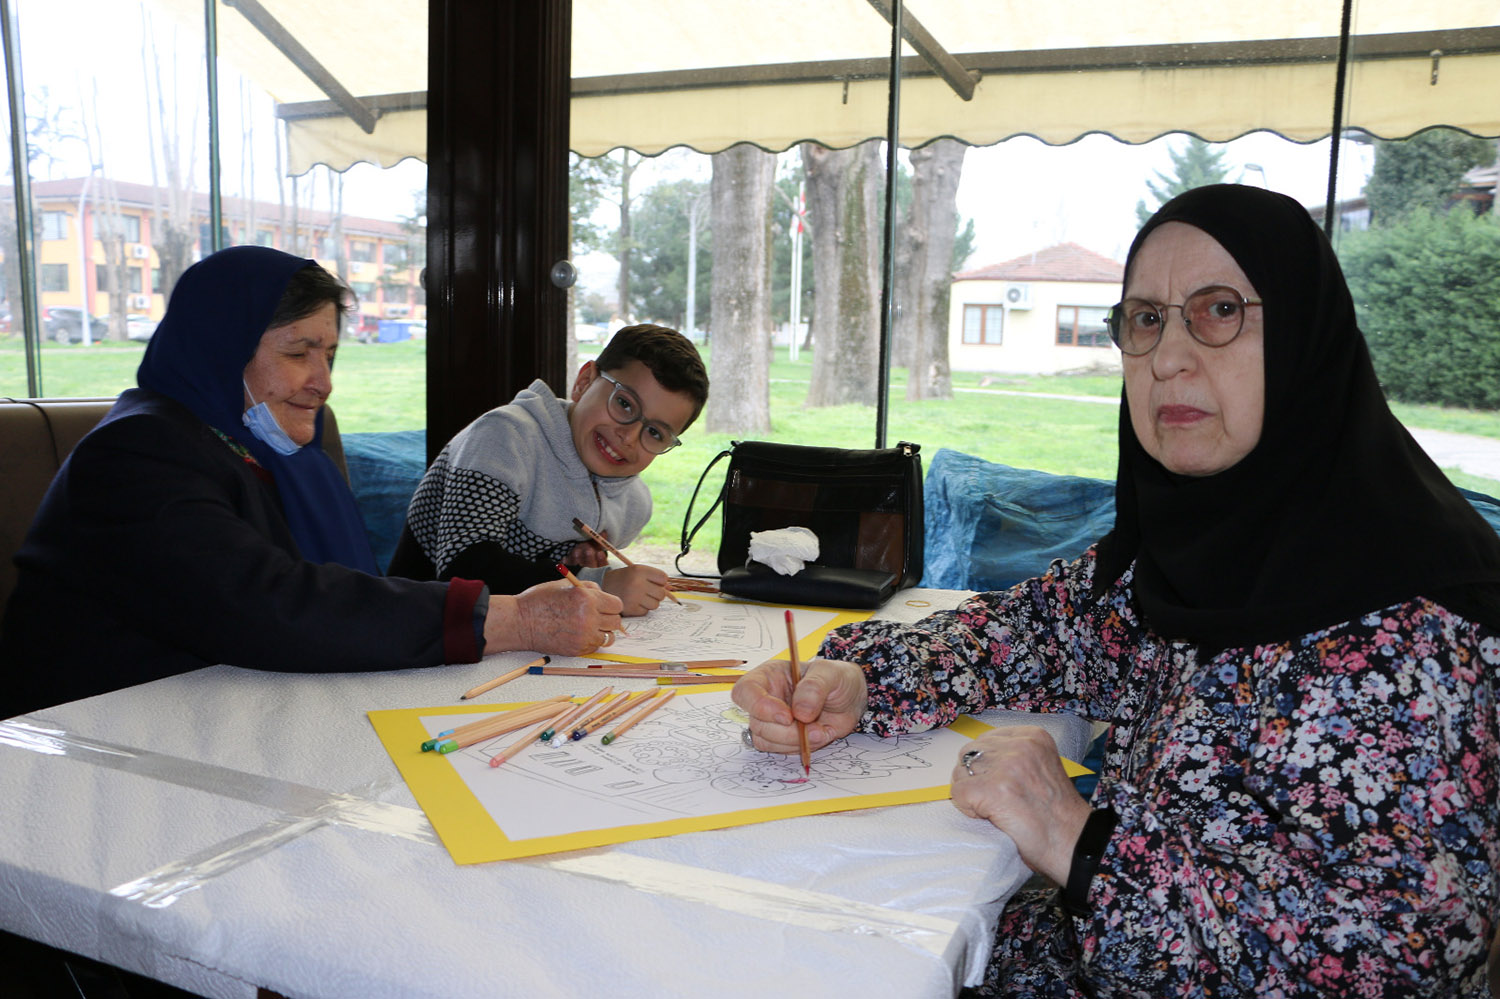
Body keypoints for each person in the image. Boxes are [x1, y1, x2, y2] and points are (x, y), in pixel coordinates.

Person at [733, 185, 1500, 995]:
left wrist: (1080, 839)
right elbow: (1032, 634)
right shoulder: (1187, 543)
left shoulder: (1423, 624)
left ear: (1308, 337)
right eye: (1146, 318)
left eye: (1218, 310)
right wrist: (861, 679)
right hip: (1069, 950)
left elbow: (1396, 963)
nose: (1169, 355)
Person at [0, 245, 621, 720]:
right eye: (299, 353)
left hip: (219, 706)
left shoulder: (276, 452)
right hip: (86, 741)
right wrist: (509, 620)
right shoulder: (135, 454)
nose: (323, 382)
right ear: (222, 348)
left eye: (329, 355)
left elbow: (341, 595)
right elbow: (266, 603)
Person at [387, 323, 709, 616]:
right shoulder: (504, 437)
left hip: (515, 641)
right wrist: (595, 583)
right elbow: (464, 570)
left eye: (655, 433)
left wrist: (568, 564)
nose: (628, 436)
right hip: (418, 632)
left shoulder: (633, 504)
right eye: (624, 403)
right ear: (584, 382)